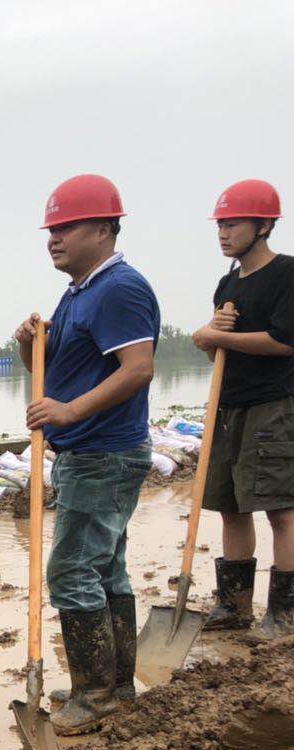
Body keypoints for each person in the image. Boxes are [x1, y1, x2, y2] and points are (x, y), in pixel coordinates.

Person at [15, 173, 157, 734]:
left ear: (103, 229)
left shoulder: (118, 288)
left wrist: (72, 412)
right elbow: (49, 375)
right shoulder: (79, 292)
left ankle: (95, 696)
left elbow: (139, 369)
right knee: (105, 569)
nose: (54, 238)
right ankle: (114, 686)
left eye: (67, 228)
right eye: (51, 229)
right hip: (92, 453)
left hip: (104, 452)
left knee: (72, 570)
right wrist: (30, 345)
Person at [191, 179, 294, 639]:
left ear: (264, 226)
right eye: (220, 225)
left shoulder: (286, 273)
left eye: (233, 224)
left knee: (280, 510)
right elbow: (219, 356)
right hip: (228, 407)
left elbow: (283, 341)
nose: (223, 233)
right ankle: (233, 607)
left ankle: (284, 614)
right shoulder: (228, 283)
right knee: (230, 506)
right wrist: (210, 338)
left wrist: (216, 336)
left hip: (272, 406)